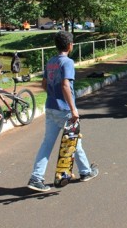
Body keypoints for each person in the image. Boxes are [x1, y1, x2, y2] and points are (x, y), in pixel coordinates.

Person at [28, 31, 98, 192]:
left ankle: (36, 177)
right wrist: (73, 109)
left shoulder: (51, 61)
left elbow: (44, 84)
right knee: (73, 142)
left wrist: (53, 97)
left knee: (48, 144)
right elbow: (65, 85)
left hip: (51, 107)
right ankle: (86, 172)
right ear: (70, 45)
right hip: (65, 110)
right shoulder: (67, 62)